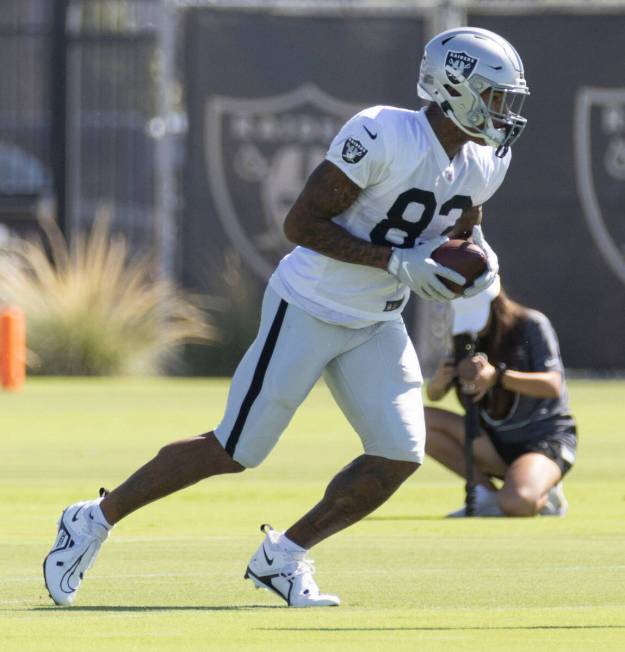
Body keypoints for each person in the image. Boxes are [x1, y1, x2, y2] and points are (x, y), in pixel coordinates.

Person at [43, 26, 530, 607]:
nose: (504, 113)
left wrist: (479, 257)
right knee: (235, 449)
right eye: (496, 96)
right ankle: (93, 518)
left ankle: (285, 556)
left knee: (399, 453)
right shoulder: (384, 133)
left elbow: (463, 226)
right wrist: (396, 260)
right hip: (311, 304)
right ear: (456, 87)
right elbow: (301, 226)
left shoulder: (485, 159)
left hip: (377, 319)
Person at [425, 278, 577, 517]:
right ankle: (485, 494)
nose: (473, 325)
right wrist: (437, 384)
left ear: (495, 301)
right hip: (493, 442)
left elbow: (553, 385)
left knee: (517, 503)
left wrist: (497, 377)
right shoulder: (466, 335)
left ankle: (544, 489)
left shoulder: (530, 324)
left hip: (544, 439)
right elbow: (434, 396)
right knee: (415, 422)